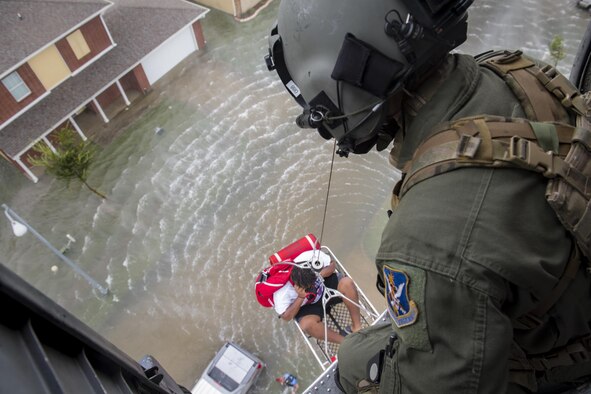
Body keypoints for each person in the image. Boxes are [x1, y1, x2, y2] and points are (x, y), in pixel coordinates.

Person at [265, 1, 591, 393]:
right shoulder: (511, 69)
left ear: (340, 80)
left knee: (354, 361)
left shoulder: (426, 241)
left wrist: (353, 361)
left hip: (566, 361)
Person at [273, 249, 362, 344]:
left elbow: (332, 264)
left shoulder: (310, 257)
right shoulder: (281, 293)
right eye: (308, 288)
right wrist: (300, 297)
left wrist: (320, 275)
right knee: (306, 325)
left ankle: (356, 327)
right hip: (306, 305)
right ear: (296, 285)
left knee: (347, 283)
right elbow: (286, 317)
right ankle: (346, 343)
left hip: (324, 286)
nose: (311, 288)